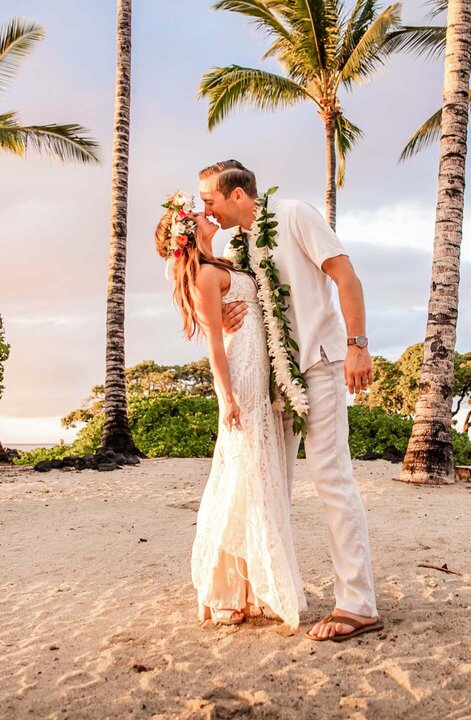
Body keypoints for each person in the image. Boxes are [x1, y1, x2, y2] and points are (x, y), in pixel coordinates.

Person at [198, 160, 384, 642]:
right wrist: (228, 316)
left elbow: (347, 278)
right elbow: (237, 299)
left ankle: (358, 603)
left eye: (210, 199)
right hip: (271, 380)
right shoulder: (236, 246)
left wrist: (357, 345)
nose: (206, 209)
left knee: (331, 477)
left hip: (320, 363)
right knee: (268, 482)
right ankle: (262, 588)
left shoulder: (296, 214)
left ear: (237, 195)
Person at [155, 191, 305, 632]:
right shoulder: (203, 273)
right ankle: (227, 591)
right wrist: (226, 397)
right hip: (240, 377)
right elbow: (214, 345)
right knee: (242, 476)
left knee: (254, 479)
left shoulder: (222, 265)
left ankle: (250, 590)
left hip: (257, 371)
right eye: (196, 215)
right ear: (187, 234)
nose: (206, 214)